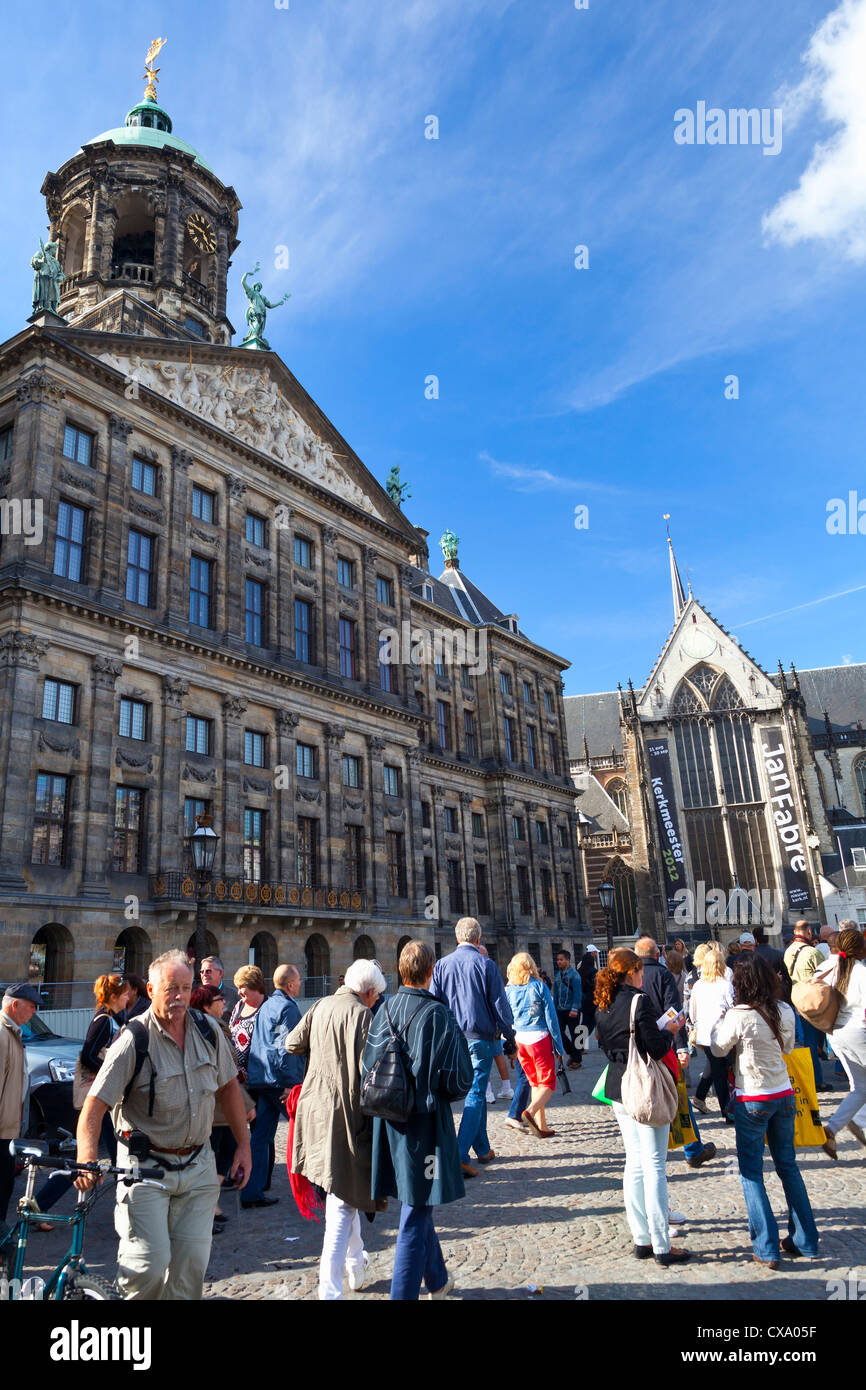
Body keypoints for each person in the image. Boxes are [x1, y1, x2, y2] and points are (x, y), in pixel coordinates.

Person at [74, 949, 252, 1300]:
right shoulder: (133, 1039)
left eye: (186, 988)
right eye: (171, 989)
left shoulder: (208, 1031)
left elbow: (229, 1088)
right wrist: (87, 1155)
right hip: (145, 1170)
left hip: (198, 1166)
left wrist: (244, 1146)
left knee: (190, 1269)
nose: (180, 997)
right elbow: (94, 1105)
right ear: (151, 990)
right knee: (147, 1267)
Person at [364, 940, 473, 1300]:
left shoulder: (384, 1009)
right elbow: (460, 1079)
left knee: (418, 1205)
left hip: (388, 1121)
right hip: (424, 1126)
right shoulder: (438, 1013)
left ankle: (437, 1281)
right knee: (416, 1211)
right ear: (431, 972)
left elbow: (368, 1065)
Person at [286, 958, 387, 1299]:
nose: (375, 1000)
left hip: (314, 1110)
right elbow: (370, 1072)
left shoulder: (319, 1005)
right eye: (376, 995)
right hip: (345, 1114)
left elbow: (292, 1043)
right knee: (342, 1203)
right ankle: (329, 1290)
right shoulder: (363, 1016)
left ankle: (356, 1263)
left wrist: (321, 1051)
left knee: (342, 1192)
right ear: (368, 991)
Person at [710, 955, 819, 1267]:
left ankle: (767, 1246)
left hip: (753, 1098)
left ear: (740, 985)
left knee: (751, 1172)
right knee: (788, 1167)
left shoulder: (739, 1015)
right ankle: (806, 1240)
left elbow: (718, 1048)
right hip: (783, 1094)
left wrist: (718, 1024)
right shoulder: (784, 1009)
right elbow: (788, 1048)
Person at [595, 949, 688, 1266]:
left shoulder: (604, 1002)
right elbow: (657, 1048)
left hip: (618, 1085)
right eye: (640, 972)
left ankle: (642, 1238)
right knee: (654, 1165)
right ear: (633, 971)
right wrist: (670, 1031)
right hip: (643, 1087)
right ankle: (661, 1244)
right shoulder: (639, 1001)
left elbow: (607, 1044)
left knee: (634, 1162)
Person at [31, 973, 132, 1228]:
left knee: (94, 1157)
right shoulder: (103, 1020)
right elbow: (88, 1055)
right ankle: (133, 1212)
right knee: (113, 1157)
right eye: (125, 994)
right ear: (114, 996)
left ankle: (38, 1206)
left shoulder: (110, 1018)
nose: (128, 997)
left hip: (102, 1096)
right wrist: (109, 1072)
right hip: (99, 1097)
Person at [430, 917, 515, 1178]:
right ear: (478, 939)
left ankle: (483, 1148)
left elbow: (434, 1004)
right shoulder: (486, 965)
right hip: (480, 1038)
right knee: (476, 1093)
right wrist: (510, 1036)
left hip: (453, 1039)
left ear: (457, 938)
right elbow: (500, 1005)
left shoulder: (442, 965)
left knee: (476, 1091)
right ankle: (459, 1154)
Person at [190, 984, 256, 1230]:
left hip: (219, 1106)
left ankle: (210, 1206)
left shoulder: (210, 1026)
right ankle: (205, 1210)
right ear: (207, 1006)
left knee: (221, 1155)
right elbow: (225, 1076)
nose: (224, 1003)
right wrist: (245, 1105)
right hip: (219, 1107)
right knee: (220, 1155)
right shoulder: (211, 1029)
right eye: (219, 999)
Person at [241, 964, 305, 1209]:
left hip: (262, 1078)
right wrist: (290, 1083)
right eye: (298, 980)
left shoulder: (267, 1006)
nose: (300, 984)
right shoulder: (288, 1008)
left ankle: (251, 1190)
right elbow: (287, 1046)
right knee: (304, 1131)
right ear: (290, 985)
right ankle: (314, 1187)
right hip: (279, 1081)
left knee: (260, 1137)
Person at [813, 926, 866, 1156]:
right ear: (860, 949)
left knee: (861, 1088)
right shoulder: (861, 972)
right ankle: (860, 1119)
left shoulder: (833, 969)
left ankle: (832, 1128)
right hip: (858, 1031)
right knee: (860, 1087)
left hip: (838, 1033)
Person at [505, 953, 564, 1137]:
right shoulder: (539, 986)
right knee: (548, 1082)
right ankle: (530, 1112)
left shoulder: (509, 990)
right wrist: (559, 1046)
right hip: (539, 1037)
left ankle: (542, 1126)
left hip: (520, 1039)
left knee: (535, 1082)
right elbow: (551, 1018)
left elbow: (507, 1017)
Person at [0, 983, 39, 1222]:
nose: (34, 1011)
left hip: (7, 1128)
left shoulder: (12, 1032)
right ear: (15, 1005)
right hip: (1, 1130)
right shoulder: (2, 1033)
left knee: (5, 1185)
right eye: (32, 1006)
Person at [689, 943, 734, 1119]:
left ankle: (723, 1107)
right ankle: (727, 1109)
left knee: (717, 1070)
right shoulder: (725, 984)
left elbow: (692, 1012)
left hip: (704, 1034)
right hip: (722, 1033)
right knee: (723, 1071)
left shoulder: (698, 985)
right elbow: (732, 1008)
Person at [784, 922, 830, 1090]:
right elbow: (826, 977)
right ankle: (818, 1080)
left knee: (809, 1041)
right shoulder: (812, 952)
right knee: (820, 1040)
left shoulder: (788, 952)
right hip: (816, 1002)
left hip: (798, 1000)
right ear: (809, 932)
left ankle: (814, 1077)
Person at [229, 965, 267, 1086]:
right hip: (236, 1080)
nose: (238, 992)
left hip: (260, 1080)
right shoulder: (239, 1005)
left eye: (241, 987)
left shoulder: (269, 1007)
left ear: (253, 984)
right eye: (237, 988)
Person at [553, 949, 583, 1070]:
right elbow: (555, 994)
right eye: (558, 960)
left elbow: (577, 993)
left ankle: (577, 1059)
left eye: (561, 959)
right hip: (560, 1009)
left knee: (575, 1034)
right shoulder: (557, 975)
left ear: (568, 960)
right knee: (558, 1033)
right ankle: (571, 1052)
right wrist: (554, 1008)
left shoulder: (574, 975)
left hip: (571, 1009)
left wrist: (575, 1008)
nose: (559, 962)